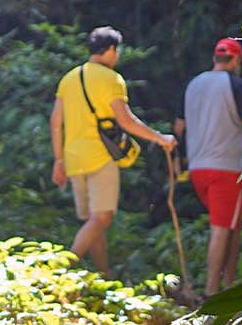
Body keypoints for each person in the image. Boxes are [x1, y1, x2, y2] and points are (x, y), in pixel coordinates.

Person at [49, 26, 176, 275]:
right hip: (100, 156)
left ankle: (102, 277)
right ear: (109, 50)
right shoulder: (111, 79)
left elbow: (55, 122)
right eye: (116, 51)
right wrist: (160, 138)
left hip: (73, 158)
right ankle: (61, 269)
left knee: (93, 222)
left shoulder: (69, 78)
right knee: (102, 218)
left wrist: (58, 159)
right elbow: (126, 121)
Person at [173, 37, 242, 296]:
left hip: (197, 169)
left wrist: (179, 160)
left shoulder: (193, 85)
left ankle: (229, 287)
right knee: (221, 228)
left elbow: (178, 128)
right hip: (225, 168)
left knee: (230, 227)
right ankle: (211, 294)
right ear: (236, 59)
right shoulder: (237, 86)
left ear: (215, 58)